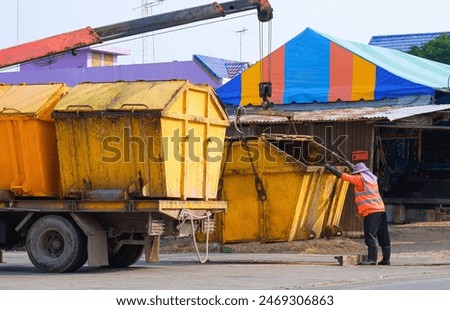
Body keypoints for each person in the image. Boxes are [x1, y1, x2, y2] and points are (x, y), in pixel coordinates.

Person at [324, 162, 391, 266]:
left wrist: (329, 168)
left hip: (370, 211)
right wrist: (348, 164)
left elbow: (344, 176)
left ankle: (372, 259)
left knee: (370, 235)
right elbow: (356, 171)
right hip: (380, 209)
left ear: (358, 173)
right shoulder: (372, 179)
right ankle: (386, 259)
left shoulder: (360, 179)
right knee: (383, 235)